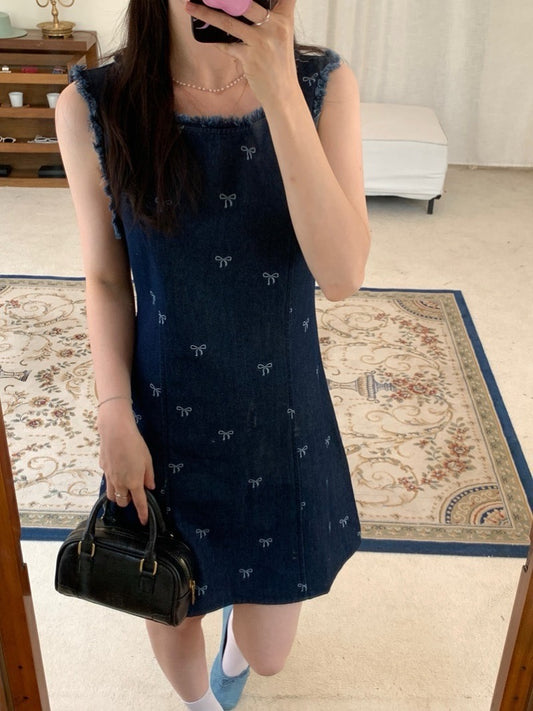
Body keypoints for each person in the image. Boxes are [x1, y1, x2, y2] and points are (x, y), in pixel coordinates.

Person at [56, 0, 370, 708]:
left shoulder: (323, 86)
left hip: (280, 420)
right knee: (168, 600)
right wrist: (112, 412)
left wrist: (279, 90)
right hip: (164, 418)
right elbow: (105, 278)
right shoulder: (93, 105)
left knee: (269, 653)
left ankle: (236, 649)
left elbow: (342, 274)